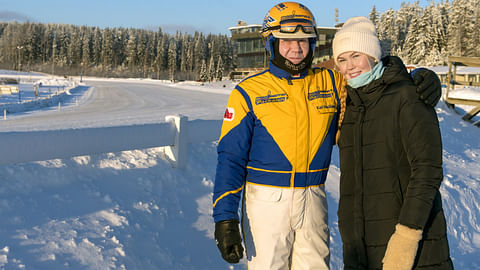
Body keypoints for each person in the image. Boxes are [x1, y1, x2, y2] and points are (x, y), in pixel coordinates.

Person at [213, 2, 442, 269]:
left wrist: (417, 76)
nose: (297, 49)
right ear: (271, 41)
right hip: (267, 201)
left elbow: (369, 70)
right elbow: (231, 158)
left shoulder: (330, 82)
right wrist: (225, 217)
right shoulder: (248, 92)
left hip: (313, 198)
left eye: (304, 41)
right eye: (287, 40)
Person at [333, 16, 453, 269]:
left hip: (411, 247)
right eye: (342, 59)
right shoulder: (350, 104)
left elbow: (427, 171)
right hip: (361, 247)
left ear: (373, 56)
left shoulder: (408, 96)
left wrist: (406, 239)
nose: (349, 66)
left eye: (356, 56)